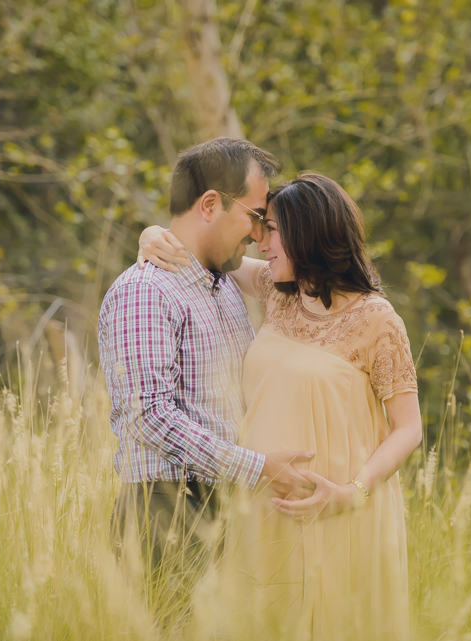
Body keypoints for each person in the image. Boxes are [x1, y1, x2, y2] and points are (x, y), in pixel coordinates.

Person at [138, 172, 423, 640]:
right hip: (264, 504)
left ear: (310, 233)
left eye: (271, 229)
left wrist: (354, 491)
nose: (260, 241)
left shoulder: (377, 320)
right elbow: (208, 250)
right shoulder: (279, 291)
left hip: (337, 507)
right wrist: (153, 234)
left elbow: (407, 429)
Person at [97, 138, 316, 625]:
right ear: (211, 204)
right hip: (167, 511)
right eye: (257, 216)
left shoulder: (225, 288)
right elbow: (149, 415)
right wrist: (257, 468)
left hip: (228, 507)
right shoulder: (145, 290)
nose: (260, 235)